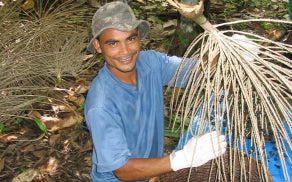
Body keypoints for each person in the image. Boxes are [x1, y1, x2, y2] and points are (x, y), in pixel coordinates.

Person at [84, 1, 227, 181]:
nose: (125, 51)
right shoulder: (101, 104)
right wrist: (181, 159)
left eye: (130, 39)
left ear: (138, 37)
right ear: (98, 46)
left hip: (151, 171)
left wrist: (225, 58)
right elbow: (122, 170)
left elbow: (195, 71)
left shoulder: (150, 63)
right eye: (113, 43)